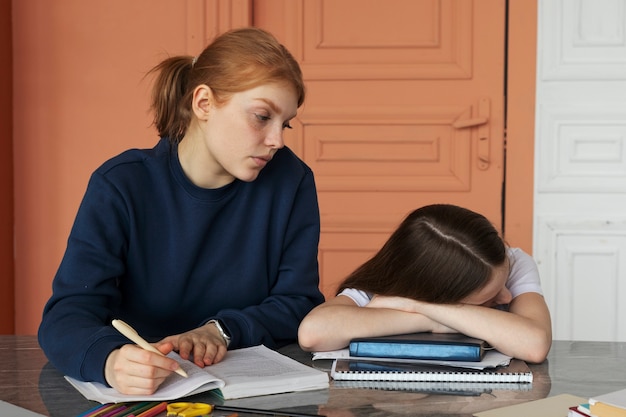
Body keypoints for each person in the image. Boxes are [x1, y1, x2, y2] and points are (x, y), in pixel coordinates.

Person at [38, 27, 324, 395]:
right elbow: (66, 315)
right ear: (203, 103)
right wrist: (109, 361)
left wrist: (222, 330)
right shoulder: (120, 185)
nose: (277, 141)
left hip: (250, 393)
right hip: (145, 392)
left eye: (284, 124)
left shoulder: (292, 180)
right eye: (261, 116)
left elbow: (298, 302)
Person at [298, 204, 552, 363]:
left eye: (503, 283)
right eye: (490, 295)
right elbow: (312, 334)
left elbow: (535, 345)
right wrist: (429, 317)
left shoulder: (515, 261)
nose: (507, 298)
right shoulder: (395, 280)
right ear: (434, 292)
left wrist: (415, 306)